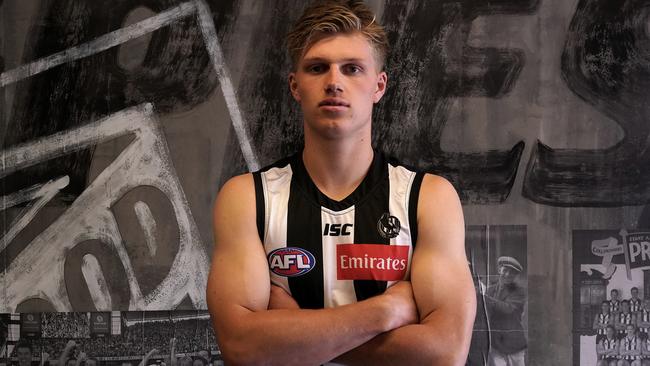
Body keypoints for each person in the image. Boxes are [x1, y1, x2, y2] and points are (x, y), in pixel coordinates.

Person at [206, 1, 476, 365]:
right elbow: (241, 348)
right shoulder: (248, 199)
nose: (334, 82)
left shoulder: (428, 198)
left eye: (352, 69)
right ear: (295, 85)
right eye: (317, 68)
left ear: (379, 86)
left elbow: (445, 353)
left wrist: (291, 331)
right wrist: (384, 312)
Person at [483, 256, 527, 366]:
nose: (507, 275)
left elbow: (508, 309)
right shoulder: (490, 290)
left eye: (512, 272)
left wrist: (484, 297)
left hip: (514, 346)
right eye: (505, 270)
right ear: (499, 270)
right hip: (496, 345)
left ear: (516, 276)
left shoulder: (519, 291)